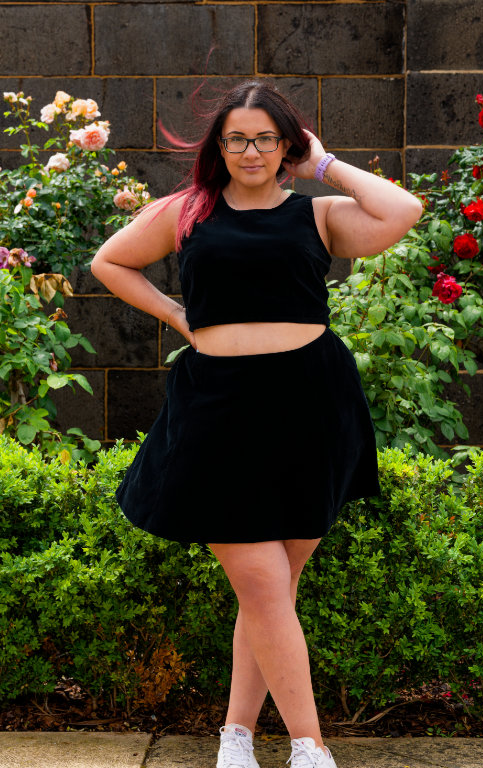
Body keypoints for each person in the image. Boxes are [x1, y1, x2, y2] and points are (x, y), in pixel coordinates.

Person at [90, 80, 423, 768]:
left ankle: (236, 736)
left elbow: (403, 211)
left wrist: (324, 165)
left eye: (265, 138)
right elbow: (110, 262)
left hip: (309, 404)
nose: (250, 150)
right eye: (237, 137)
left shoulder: (319, 214)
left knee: (271, 593)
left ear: (286, 145)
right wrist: (180, 317)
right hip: (218, 408)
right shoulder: (187, 212)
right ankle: (310, 746)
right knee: (267, 590)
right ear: (219, 146)